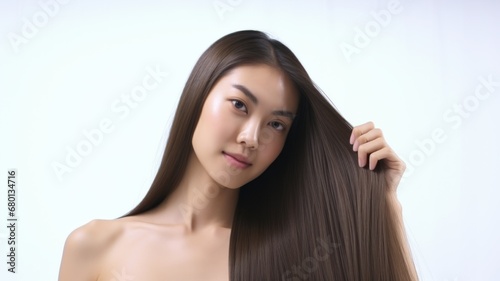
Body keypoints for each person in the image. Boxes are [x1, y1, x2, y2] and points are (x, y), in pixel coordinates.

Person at [58, 30, 418, 281]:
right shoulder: (94, 246)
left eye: (276, 125)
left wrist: (387, 205)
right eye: (239, 105)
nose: (251, 138)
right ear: (198, 95)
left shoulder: (296, 255)